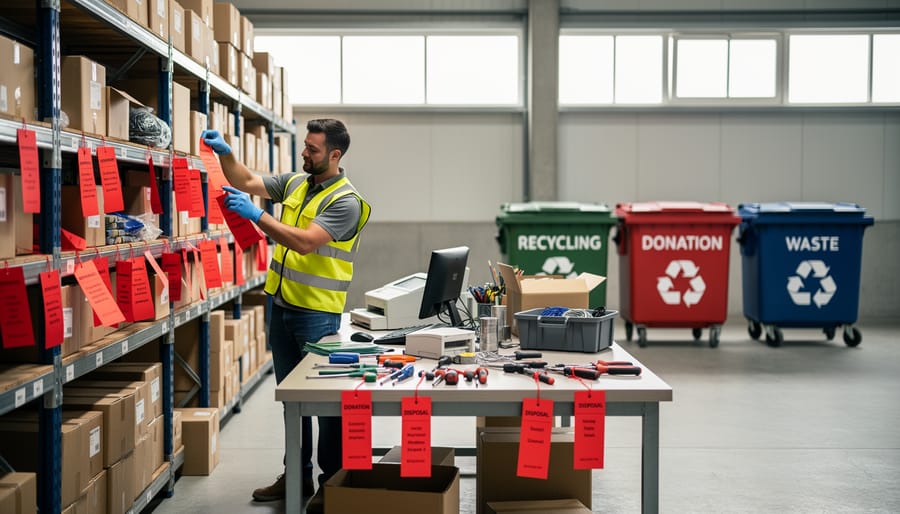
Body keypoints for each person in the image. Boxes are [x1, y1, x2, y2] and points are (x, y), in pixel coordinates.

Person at [201, 119, 371, 502]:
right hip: (281, 306)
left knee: (327, 406)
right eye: (305, 146)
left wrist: (256, 215)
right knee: (292, 402)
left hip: (318, 317)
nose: (304, 154)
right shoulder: (296, 182)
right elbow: (246, 182)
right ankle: (296, 477)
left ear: (334, 154)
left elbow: (306, 242)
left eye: (312, 149)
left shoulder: (347, 201)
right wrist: (225, 152)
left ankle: (332, 484)